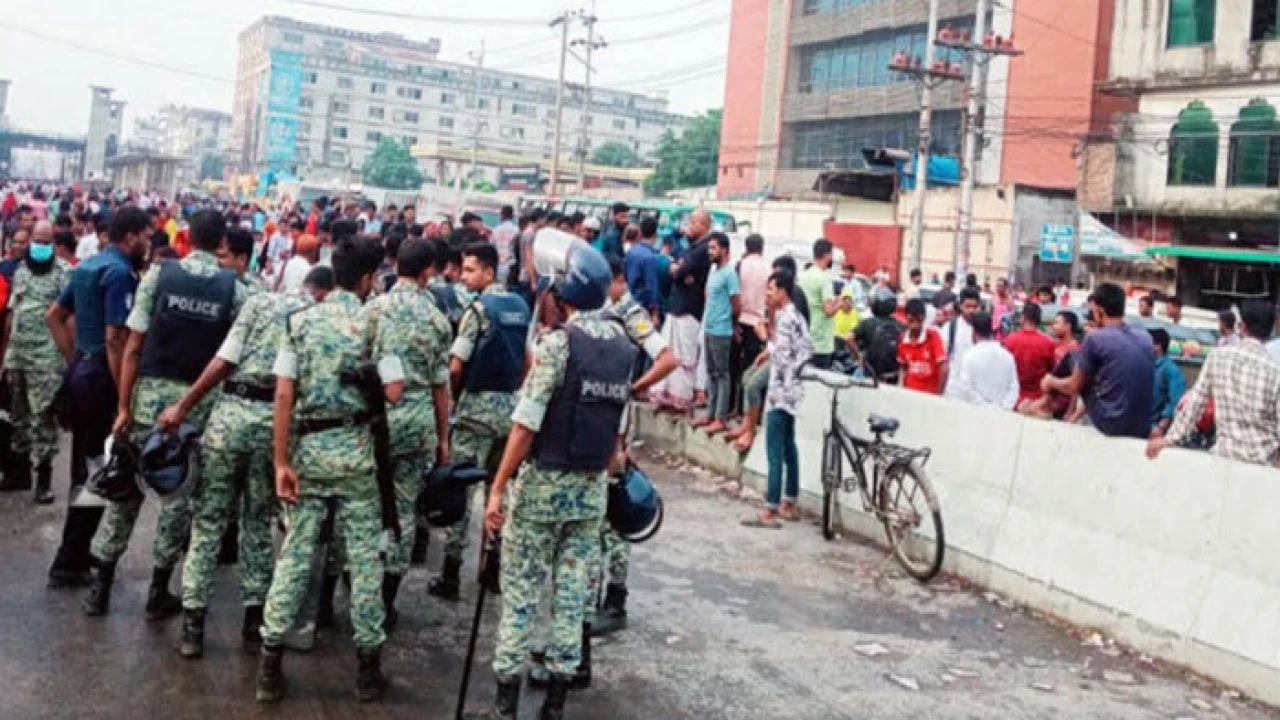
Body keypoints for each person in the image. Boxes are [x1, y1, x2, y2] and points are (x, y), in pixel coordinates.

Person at [475, 244, 634, 720]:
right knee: (570, 596)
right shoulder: (624, 348)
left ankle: (505, 706)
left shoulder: (558, 345)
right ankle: (556, 706)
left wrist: (499, 487)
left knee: (521, 592)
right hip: (589, 493)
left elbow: (525, 424)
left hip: (543, 486)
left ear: (563, 293)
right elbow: (617, 431)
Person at [84, 209, 248, 619]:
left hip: (147, 399)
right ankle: (158, 591)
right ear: (223, 244)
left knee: (127, 489)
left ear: (187, 238)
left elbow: (132, 345)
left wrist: (123, 407)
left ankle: (98, 589)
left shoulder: (158, 277)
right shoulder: (236, 290)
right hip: (197, 406)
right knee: (178, 498)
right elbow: (231, 361)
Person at [256, 238, 389, 703]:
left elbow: (283, 396)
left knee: (295, 554)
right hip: (356, 457)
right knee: (364, 561)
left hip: (309, 455)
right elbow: (394, 391)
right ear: (369, 279)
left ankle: (270, 664)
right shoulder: (375, 322)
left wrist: (281, 462)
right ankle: (368, 670)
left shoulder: (300, 321)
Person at [144, 226, 282, 658]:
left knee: (207, 522)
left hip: (228, 421)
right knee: (257, 524)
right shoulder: (286, 310)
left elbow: (223, 361)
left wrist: (184, 406)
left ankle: (192, 627)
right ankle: (251, 621)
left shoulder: (253, 303)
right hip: (266, 426)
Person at [44, 207, 147, 587]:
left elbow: (54, 315)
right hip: (102, 378)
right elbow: (115, 339)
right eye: (145, 236)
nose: (147, 244)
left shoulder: (87, 267)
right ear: (132, 235)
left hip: (82, 373)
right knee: (98, 471)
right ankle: (70, 559)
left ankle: (75, 551)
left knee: (85, 467)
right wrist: (125, 400)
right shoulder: (119, 273)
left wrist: (75, 360)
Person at [429, 242, 531, 602]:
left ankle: (451, 574)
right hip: (509, 411)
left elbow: (456, 365)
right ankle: (491, 570)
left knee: (462, 492)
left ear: (489, 272)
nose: (465, 275)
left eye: (471, 270)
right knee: (497, 493)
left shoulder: (478, 310)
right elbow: (527, 362)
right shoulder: (520, 306)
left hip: (474, 413)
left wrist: (452, 398)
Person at [1148, 299, 1280, 465]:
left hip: (1224, 458)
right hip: (1262, 465)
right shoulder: (1275, 371)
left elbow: (1195, 403)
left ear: (1242, 326)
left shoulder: (1218, 357)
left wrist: (1170, 439)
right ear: (1272, 329)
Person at [0, 221, 71, 503]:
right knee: (18, 416)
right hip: (18, 355)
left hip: (47, 357)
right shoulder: (18, 271)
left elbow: (69, 318)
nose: (40, 247)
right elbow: (10, 315)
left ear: (53, 243)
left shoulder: (64, 274)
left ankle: (44, 479)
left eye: (46, 241)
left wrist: (70, 358)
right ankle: (19, 475)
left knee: (43, 418)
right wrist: (4, 357)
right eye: (36, 241)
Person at [741, 270, 812, 528]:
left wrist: (765, 340)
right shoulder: (795, 317)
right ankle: (789, 501)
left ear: (782, 291)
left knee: (774, 448)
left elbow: (782, 356)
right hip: (792, 389)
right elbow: (803, 350)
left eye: (771, 289)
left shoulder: (784, 319)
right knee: (788, 446)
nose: (768, 294)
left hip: (780, 389)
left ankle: (770, 507)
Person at [1043, 283, 1154, 438]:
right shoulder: (1145, 337)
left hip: (1111, 423)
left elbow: (1074, 386)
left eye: (1093, 312)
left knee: (1073, 357)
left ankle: (1044, 404)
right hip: (1142, 426)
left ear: (1100, 312)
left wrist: (1050, 381)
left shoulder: (1095, 338)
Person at [649, 209, 712, 413]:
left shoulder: (703, 250)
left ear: (704, 225)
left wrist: (679, 270)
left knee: (685, 356)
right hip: (677, 307)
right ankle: (667, 396)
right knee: (670, 352)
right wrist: (678, 269)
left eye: (693, 222)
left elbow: (682, 270)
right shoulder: (691, 247)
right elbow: (677, 270)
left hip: (689, 310)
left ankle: (681, 400)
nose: (689, 226)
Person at [690, 233, 738, 434]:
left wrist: (731, 323)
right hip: (709, 327)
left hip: (722, 330)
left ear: (724, 250)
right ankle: (710, 414)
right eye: (709, 248)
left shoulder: (729, 274)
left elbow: (736, 303)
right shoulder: (713, 270)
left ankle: (720, 417)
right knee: (710, 373)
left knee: (722, 374)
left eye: (714, 248)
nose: (710, 252)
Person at [945, 311, 1019, 409]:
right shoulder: (1007, 356)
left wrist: (984, 406)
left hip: (977, 412)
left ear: (974, 332)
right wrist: (1002, 407)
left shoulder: (970, 356)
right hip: (1002, 414)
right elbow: (1014, 387)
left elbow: (965, 387)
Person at [1022, 310, 1084, 421]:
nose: (1053, 327)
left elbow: (1076, 383)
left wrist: (1070, 411)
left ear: (1067, 326)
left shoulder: (1074, 350)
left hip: (1059, 403)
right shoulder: (1055, 345)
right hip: (1046, 397)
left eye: (1057, 323)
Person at [734, 234, 770, 400]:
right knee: (752, 364)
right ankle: (746, 407)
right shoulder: (768, 268)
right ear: (762, 249)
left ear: (746, 248)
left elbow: (734, 294)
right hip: (758, 323)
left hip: (740, 319)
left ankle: (733, 405)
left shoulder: (741, 265)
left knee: (734, 364)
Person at [1003, 303, 1056, 406]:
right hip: (1038, 400)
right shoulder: (1048, 343)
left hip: (1013, 398)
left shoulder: (1010, 340)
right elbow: (1051, 370)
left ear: (1023, 318)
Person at [798, 239, 839, 369]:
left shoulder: (804, 275)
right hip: (821, 340)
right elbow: (828, 310)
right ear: (827, 255)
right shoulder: (825, 277)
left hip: (805, 333)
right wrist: (840, 304)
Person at [897, 298, 947, 394]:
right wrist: (900, 388)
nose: (914, 324)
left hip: (929, 395)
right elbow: (903, 367)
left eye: (918, 319)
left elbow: (944, 367)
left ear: (923, 318)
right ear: (906, 317)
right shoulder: (903, 338)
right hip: (909, 392)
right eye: (911, 319)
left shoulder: (933, 336)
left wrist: (939, 395)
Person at [853, 288, 903, 382]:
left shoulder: (867, 323)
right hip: (893, 374)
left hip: (870, 372)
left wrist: (858, 356)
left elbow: (849, 338)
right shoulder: (900, 325)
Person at [940, 286, 982, 388]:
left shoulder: (983, 329)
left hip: (976, 389)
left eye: (975, 307)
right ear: (960, 306)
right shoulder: (950, 328)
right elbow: (943, 359)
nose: (971, 310)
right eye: (968, 306)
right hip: (954, 387)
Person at [1148, 328, 1186, 437]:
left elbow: (1177, 401)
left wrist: (1161, 427)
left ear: (1158, 346)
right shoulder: (1147, 365)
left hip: (1155, 430)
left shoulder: (1171, 370)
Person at [624, 217, 662, 325]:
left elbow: (625, 277)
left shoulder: (630, 252)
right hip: (643, 309)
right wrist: (655, 313)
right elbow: (651, 287)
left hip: (629, 302)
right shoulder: (650, 257)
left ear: (640, 232)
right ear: (655, 234)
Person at [492, 205, 520, 282]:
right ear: (512, 215)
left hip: (499, 264)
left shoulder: (496, 230)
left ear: (502, 215)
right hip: (512, 264)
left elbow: (492, 247)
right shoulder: (516, 230)